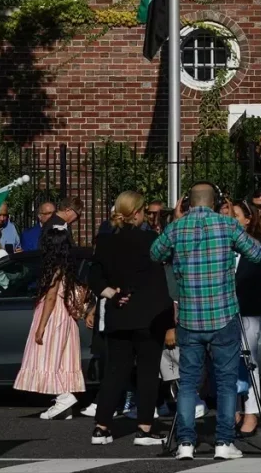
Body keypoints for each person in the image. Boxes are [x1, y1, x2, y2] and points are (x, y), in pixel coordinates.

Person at [150, 182, 261, 462]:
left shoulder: (178, 228)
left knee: (188, 382)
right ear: (214, 202)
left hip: (189, 316)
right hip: (223, 314)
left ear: (187, 203)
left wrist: (175, 222)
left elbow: (155, 254)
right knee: (226, 381)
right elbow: (257, 254)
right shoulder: (226, 225)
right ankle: (224, 441)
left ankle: (186, 442)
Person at [88, 191, 173, 447]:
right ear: (137, 212)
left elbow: (94, 279)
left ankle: (102, 427)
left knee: (115, 371)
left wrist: (112, 294)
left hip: (118, 312)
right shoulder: (151, 239)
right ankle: (144, 428)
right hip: (149, 315)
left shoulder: (105, 241)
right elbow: (160, 281)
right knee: (147, 373)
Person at [13, 224, 90, 420]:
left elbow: (51, 297)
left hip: (53, 316)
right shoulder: (67, 265)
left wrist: (41, 327)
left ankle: (64, 397)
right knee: (62, 359)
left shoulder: (54, 267)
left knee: (46, 358)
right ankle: (64, 405)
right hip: (66, 317)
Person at [230, 201, 261, 439]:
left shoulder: (260, 245)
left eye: (236, 216)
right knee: (227, 361)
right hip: (224, 312)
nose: (232, 220)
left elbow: (251, 275)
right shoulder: (223, 245)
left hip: (247, 309)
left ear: (248, 219)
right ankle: (233, 408)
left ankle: (251, 411)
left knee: (249, 359)